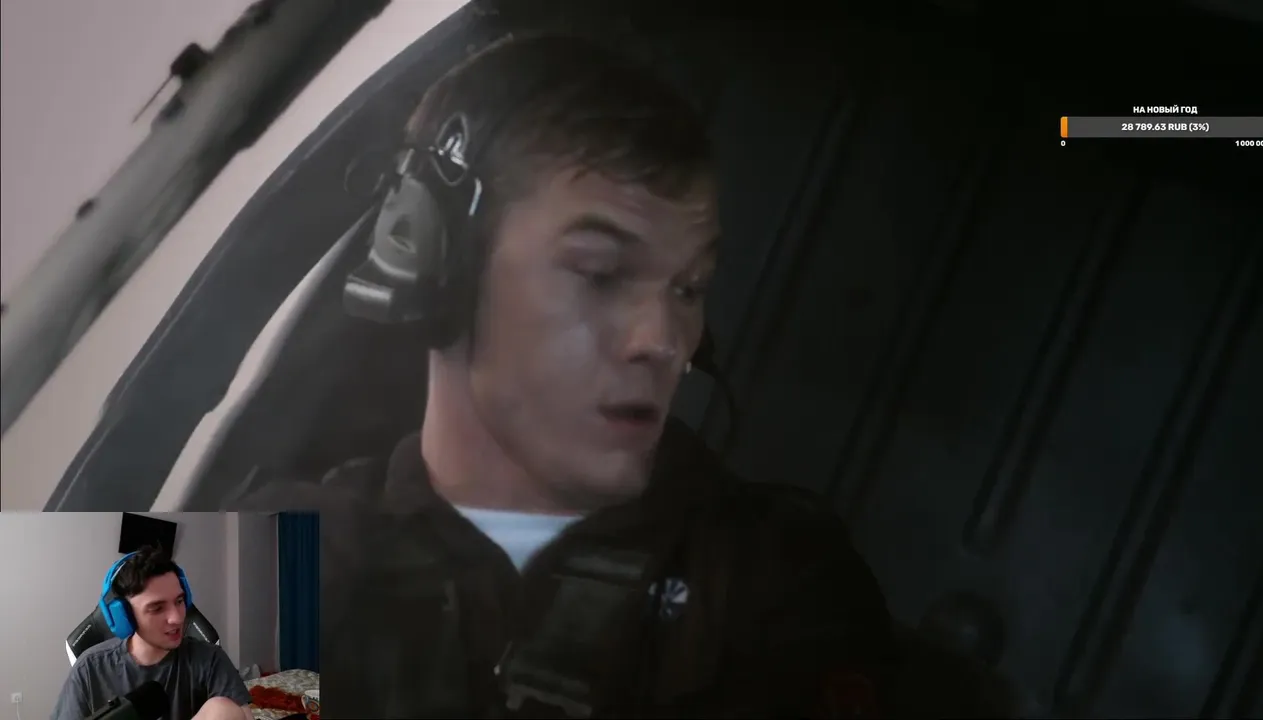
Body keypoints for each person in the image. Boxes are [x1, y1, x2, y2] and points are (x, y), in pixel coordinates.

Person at [229, 32, 897, 718]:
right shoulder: (272, 561)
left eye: (690, 288)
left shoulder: (775, 578)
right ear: (437, 267)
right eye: (600, 274)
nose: (665, 341)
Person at [52, 547, 252, 720]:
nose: (177, 618)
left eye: (179, 601)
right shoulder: (89, 669)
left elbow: (241, 715)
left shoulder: (209, 659)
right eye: (157, 608)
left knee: (223, 709)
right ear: (125, 617)